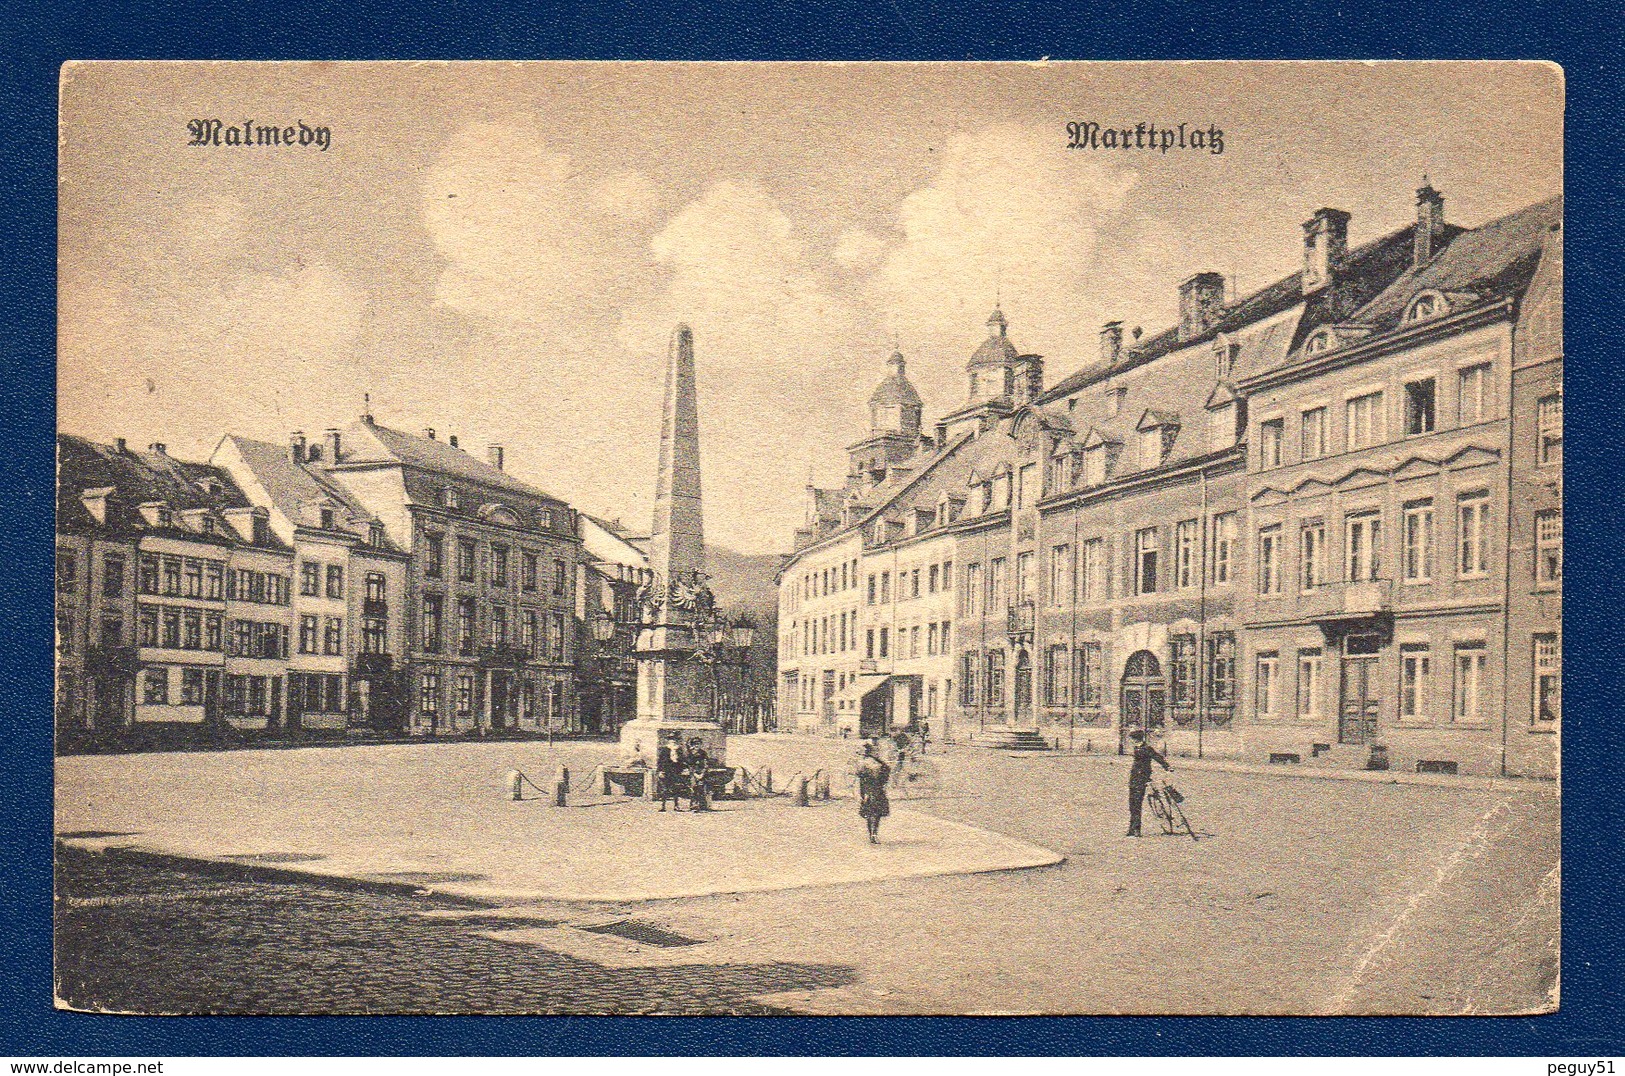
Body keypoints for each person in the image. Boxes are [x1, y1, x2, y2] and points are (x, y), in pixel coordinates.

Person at [1126, 728, 1171, 837]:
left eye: (1132, 739)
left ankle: (1136, 829)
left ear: (1136, 739)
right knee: (1132, 804)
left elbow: (1157, 757)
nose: (1130, 741)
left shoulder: (1146, 748)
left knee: (1137, 803)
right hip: (1134, 779)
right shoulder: (1137, 748)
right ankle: (1132, 828)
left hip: (1141, 779)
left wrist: (1167, 766)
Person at [856, 739, 892, 843]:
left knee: (870, 813)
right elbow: (886, 772)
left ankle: (872, 834)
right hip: (877, 789)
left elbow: (861, 778)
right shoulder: (878, 763)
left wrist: (863, 793)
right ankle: (874, 833)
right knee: (876, 814)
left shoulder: (863, 763)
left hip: (868, 789)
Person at [685, 737, 713, 812]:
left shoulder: (703, 753)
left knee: (702, 788)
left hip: (702, 773)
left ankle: (703, 806)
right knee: (694, 788)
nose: (697, 745)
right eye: (695, 744)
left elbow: (706, 764)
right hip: (693, 774)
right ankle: (694, 805)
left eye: (698, 744)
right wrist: (695, 774)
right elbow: (689, 765)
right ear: (692, 745)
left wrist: (702, 773)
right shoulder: (690, 754)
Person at [656, 740, 684, 812]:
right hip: (666, 771)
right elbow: (660, 761)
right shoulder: (664, 750)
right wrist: (660, 771)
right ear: (668, 742)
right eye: (671, 741)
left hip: (675, 772)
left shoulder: (679, 750)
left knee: (676, 788)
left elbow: (682, 761)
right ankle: (663, 806)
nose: (673, 743)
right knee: (664, 789)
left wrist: (681, 768)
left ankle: (676, 805)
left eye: (674, 742)